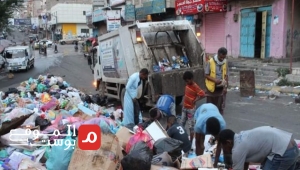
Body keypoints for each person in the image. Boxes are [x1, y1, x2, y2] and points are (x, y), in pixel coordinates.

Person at [219, 126, 299, 170]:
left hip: (283, 152)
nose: (224, 150)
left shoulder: (237, 150)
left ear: (228, 142)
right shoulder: (242, 135)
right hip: (293, 148)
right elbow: (244, 164)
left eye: (223, 146)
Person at [194, 103, 226, 167]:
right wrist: (199, 162)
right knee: (200, 143)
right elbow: (197, 142)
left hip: (213, 108)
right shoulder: (199, 125)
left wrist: (215, 164)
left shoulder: (222, 125)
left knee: (220, 140)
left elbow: (219, 145)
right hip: (202, 109)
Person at [181, 71, 206, 143]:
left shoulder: (195, 86)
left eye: (188, 80)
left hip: (190, 110)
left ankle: (191, 142)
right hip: (184, 108)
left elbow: (203, 94)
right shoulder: (187, 85)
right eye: (186, 81)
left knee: (191, 126)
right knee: (182, 123)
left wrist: (196, 100)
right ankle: (181, 138)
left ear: (191, 79)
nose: (187, 82)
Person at [205, 47, 228, 115]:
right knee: (210, 105)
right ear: (218, 54)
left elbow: (226, 75)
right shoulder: (211, 61)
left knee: (220, 105)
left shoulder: (225, 62)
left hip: (220, 87)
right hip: (211, 88)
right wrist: (214, 80)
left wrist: (225, 87)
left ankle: (217, 116)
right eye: (221, 57)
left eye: (223, 57)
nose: (222, 59)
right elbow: (206, 75)